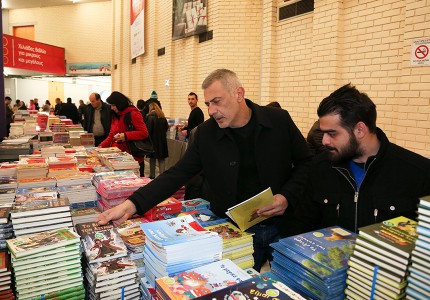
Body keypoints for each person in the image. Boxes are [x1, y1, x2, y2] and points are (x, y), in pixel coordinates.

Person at [97, 69, 313, 272]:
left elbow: (306, 163)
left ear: (239, 94)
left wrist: (286, 196)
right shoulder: (207, 134)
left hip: (286, 227)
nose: (211, 111)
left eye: (217, 102)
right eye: (208, 104)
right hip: (237, 232)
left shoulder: (278, 121)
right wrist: (132, 204)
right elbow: (177, 174)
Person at [294, 83, 430, 234]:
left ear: (360, 130)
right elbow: (301, 225)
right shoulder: (320, 167)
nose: (324, 141)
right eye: (323, 133)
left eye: (332, 133)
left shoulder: (418, 173)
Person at [99, 91, 149, 177]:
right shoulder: (116, 116)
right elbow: (111, 135)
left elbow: (144, 133)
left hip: (132, 158)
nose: (111, 108)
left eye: (113, 105)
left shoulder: (133, 113)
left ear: (120, 103)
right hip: (117, 158)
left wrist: (126, 136)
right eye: (111, 105)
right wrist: (100, 147)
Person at [145, 102, 169, 179]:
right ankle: (162, 176)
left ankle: (152, 175)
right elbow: (166, 129)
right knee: (161, 159)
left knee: (152, 159)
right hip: (162, 142)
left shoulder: (149, 117)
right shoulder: (163, 117)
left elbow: (148, 131)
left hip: (153, 143)